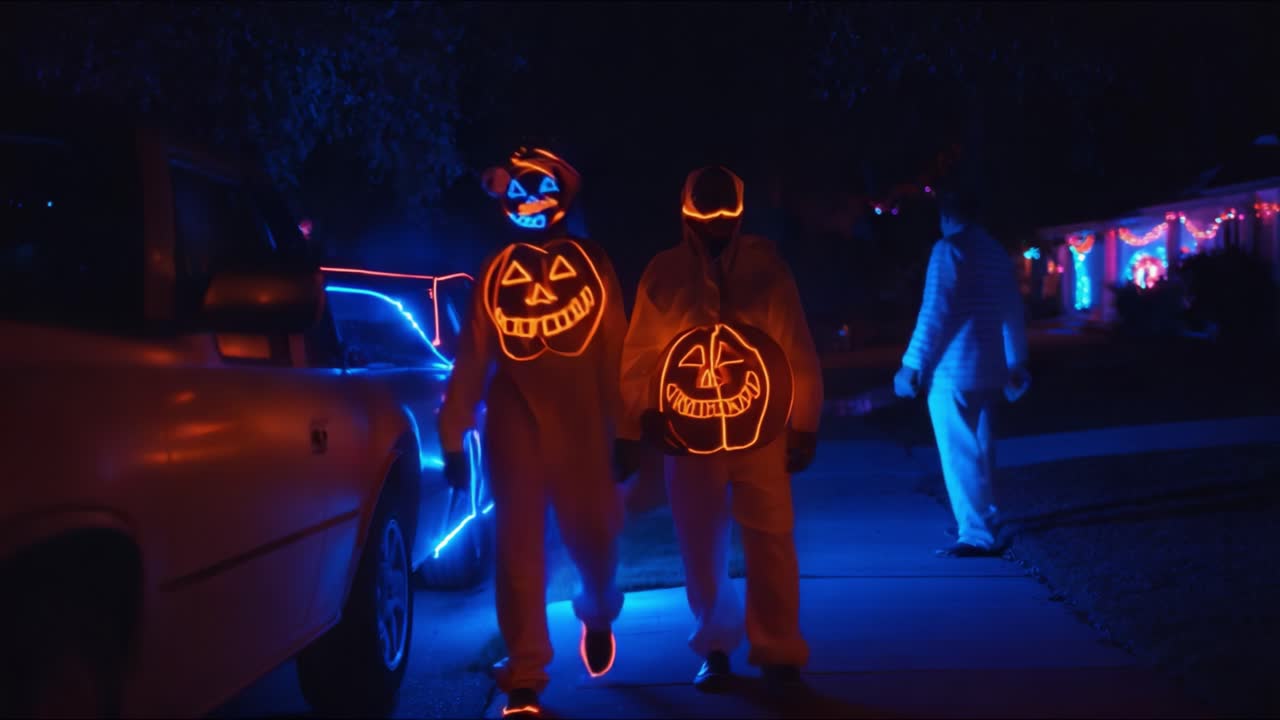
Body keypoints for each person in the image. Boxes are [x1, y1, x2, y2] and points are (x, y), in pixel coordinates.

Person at [616, 166, 823, 694]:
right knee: (699, 539)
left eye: (724, 217)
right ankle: (715, 646)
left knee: (771, 536)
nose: (715, 229)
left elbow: (794, 345)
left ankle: (779, 650)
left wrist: (804, 423)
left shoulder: (766, 268)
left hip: (763, 433)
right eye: (704, 217)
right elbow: (640, 354)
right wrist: (637, 421)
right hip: (688, 436)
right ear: (686, 214)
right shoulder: (664, 273)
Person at [438, 148, 627, 717]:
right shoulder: (498, 272)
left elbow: (616, 345)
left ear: (564, 199)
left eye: (538, 190)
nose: (527, 203)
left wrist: (628, 426)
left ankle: (596, 609)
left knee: (594, 535)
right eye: (516, 192)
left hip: (583, 417)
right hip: (514, 414)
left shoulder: (591, 262)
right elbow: (471, 357)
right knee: (517, 547)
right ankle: (525, 673)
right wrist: (453, 434)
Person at [894, 182, 1031, 558]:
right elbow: (1012, 311)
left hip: (951, 371)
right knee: (982, 451)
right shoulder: (996, 253)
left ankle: (976, 535)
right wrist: (1016, 360)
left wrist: (911, 365)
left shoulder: (948, 250)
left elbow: (935, 312)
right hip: (989, 368)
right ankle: (983, 523)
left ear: (947, 216)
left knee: (959, 455)